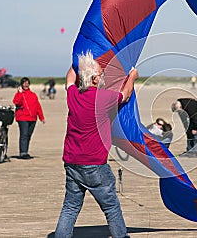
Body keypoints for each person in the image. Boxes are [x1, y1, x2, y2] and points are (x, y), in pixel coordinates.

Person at [55, 51, 138, 238]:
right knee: (111, 207)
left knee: (70, 206)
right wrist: (132, 76)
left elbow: (69, 79)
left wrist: (76, 60)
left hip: (72, 163)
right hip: (95, 165)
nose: (103, 77)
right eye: (101, 74)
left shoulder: (74, 95)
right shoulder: (103, 98)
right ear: (93, 79)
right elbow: (125, 96)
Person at [13, 77, 45, 159]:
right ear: (21, 84)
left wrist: (41, 117)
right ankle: (23, 153)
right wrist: (19, 93)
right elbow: (17, 102)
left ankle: (25, 152)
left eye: (27, 83)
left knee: (28, 135)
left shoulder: (33, 95)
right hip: (22, 118)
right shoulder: (19, 94)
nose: (26, 84)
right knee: (24, 135)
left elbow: (38, 106)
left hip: (33, 118)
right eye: (24, 83)